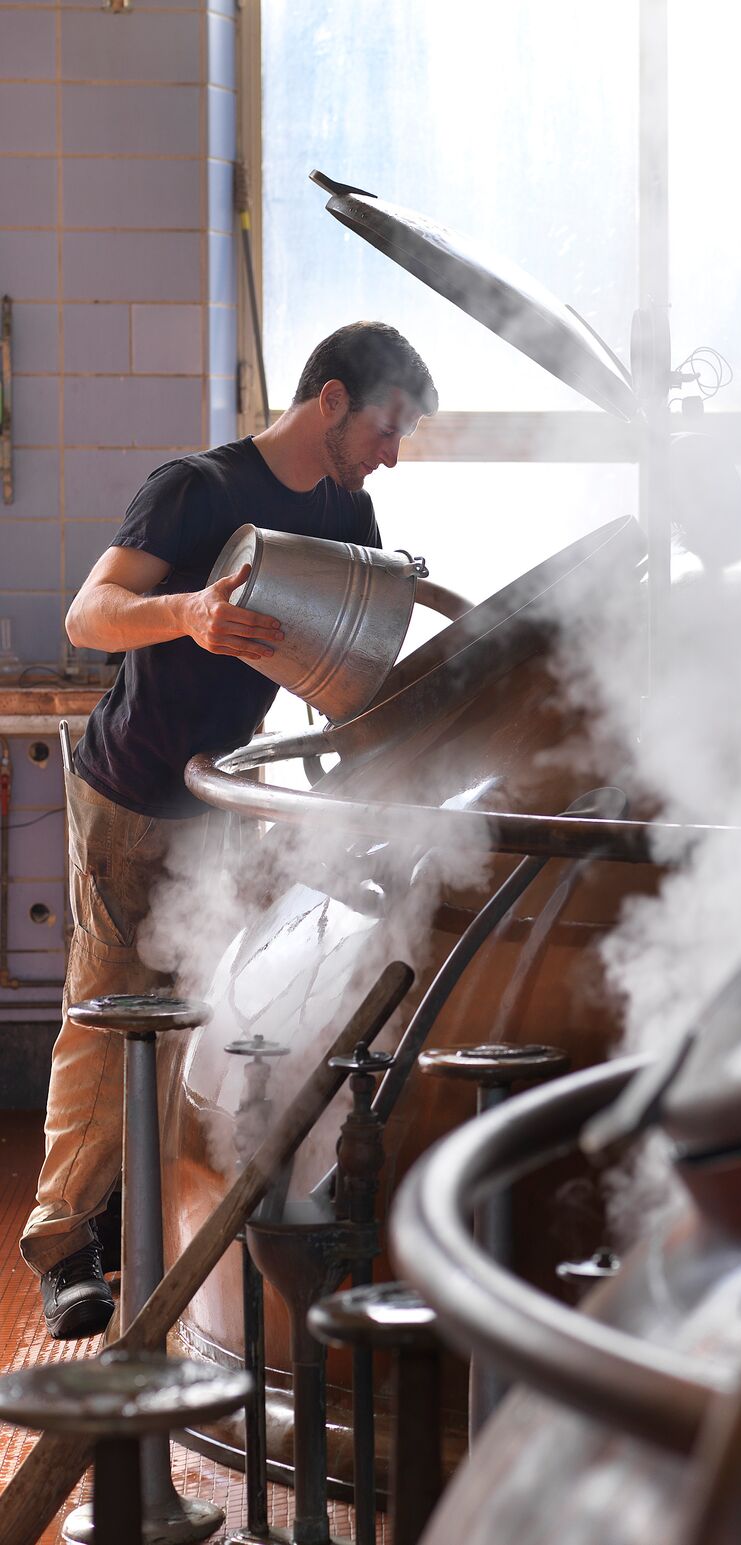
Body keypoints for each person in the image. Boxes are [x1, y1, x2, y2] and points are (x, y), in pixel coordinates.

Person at [24, 321, 437, 1337]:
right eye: (387, 426)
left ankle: (142, 1227)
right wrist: (192, 614)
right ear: (331, 399)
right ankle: (61, 1244)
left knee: (199, 1007)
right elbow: (89, 614)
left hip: (221, 796)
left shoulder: (352, 509)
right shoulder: (198, 489)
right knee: (109, 1005)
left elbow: (350, 666)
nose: (391, 453)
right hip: (129, 788)